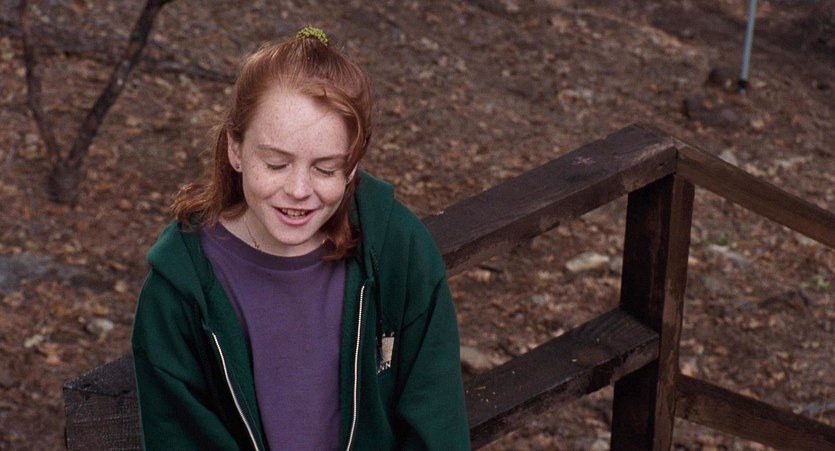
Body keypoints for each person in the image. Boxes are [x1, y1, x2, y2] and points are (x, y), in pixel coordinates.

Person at [130, 26, 471, 450]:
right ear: (235, 148)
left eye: (325, 169)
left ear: (351, 166)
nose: (298, 190)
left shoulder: (398, 251)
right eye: (276, 164)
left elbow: (436, 423)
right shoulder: (179, 292)